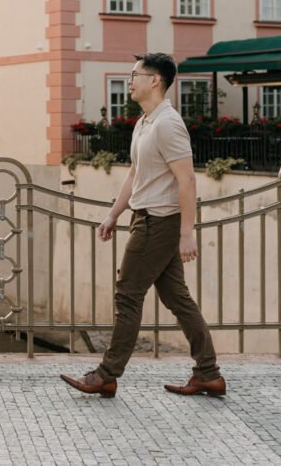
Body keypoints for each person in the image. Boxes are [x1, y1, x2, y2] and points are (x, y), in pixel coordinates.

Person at [61, 53, 226, 398]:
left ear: (155, 80)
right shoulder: (145, 122)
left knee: (128, 294)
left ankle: (107, 375)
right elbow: (135, 174)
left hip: (158, 222)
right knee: (177, 298)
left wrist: (186, 233)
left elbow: (187, 180)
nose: (130, 81)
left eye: (135, 75)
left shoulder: (168, 124)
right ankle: (208, 373)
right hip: (146, 217)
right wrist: (113, 214)